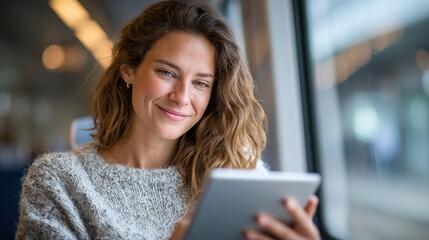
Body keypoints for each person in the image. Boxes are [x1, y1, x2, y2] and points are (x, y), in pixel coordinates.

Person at [16, 0, 319, 239]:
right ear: (128, 69)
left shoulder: (238, 172)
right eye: (167, 73)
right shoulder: (58, 181)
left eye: (201, 83)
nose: (182, 96)